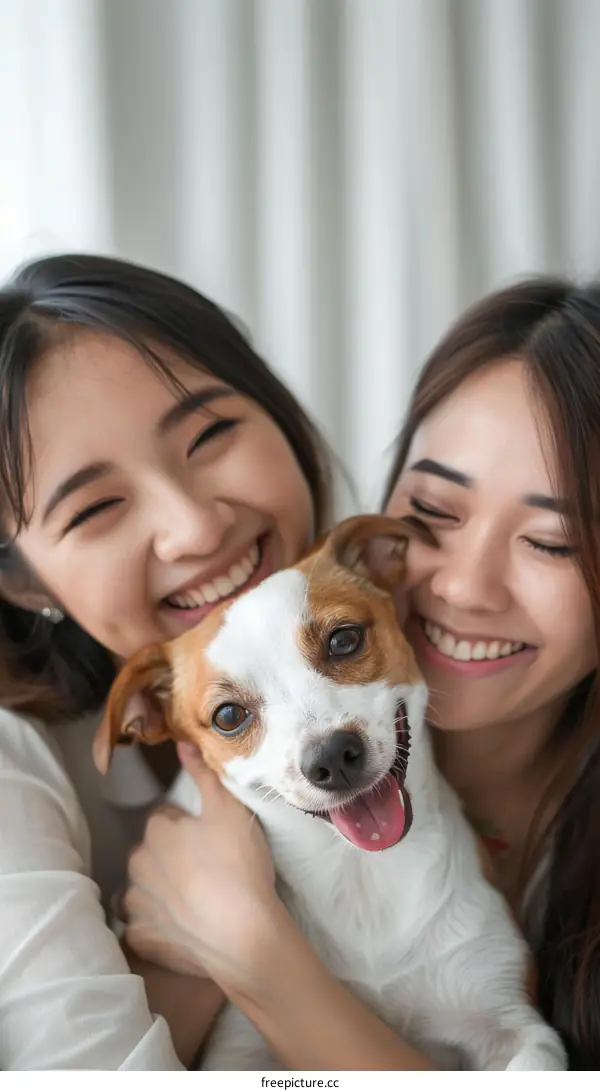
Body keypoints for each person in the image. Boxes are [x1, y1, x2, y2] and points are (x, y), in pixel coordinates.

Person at [123, 279, 600, 1072]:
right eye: (434, 512)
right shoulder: (177, 857)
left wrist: (259, 954)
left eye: (552, 540)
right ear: (384, 537)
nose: (463, 587)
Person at [0, 252, 331, 1068]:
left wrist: (242, 942)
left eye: (210, 434)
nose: (195, 527)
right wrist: (209, 943)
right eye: (97, 507)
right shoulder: (16, 766)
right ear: (23, 580)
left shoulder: (419, 647)